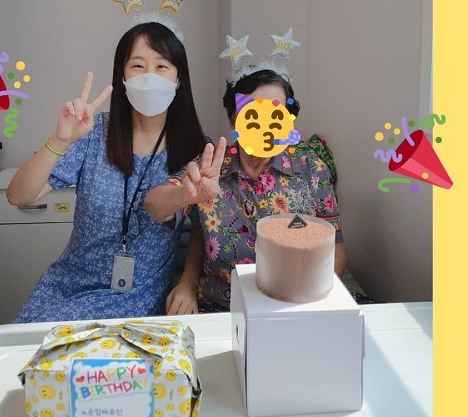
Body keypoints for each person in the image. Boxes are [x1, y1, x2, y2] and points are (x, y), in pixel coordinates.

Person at [6, 21, 208, 322]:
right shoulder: (92, 132)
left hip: (138, 297)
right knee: (24, 347)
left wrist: (188, 282)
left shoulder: (195, 149)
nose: (149, 77)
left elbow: (200, 228)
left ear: (178, 79)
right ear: (122, 76)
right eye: (137, 66)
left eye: (162, 66)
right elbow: (18, 196)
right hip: (68, 288)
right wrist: (59, 141)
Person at [145, 65, 346, 314]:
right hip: (221, 305)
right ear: (234, 120)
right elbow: (155, 206)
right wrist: (184, 195)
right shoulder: (210, 168)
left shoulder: (311, 168)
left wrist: (308, 305)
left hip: (293, 307)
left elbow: (335, 250)